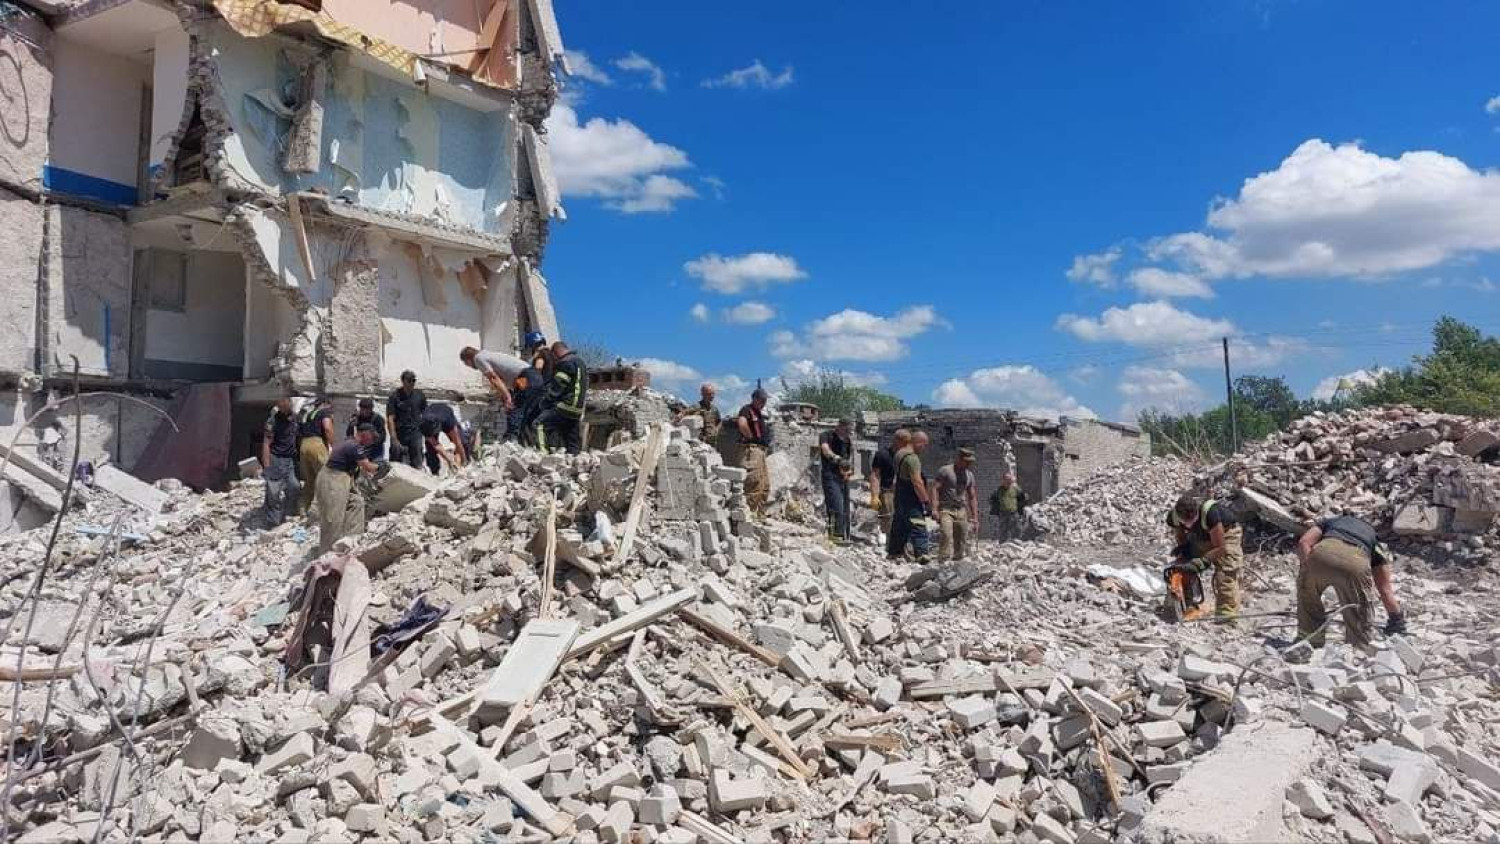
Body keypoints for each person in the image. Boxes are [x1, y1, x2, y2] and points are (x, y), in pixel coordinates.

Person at [1295, 515, 1407, 648]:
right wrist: (1397, 620)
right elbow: (1385, 590)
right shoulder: (1373, 539)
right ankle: (1358, 648)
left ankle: (1309, 642)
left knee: (1308, 597)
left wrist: (1307, 568)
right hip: (1355, 561)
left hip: (1322, 553)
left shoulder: (1332, 521)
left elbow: (1304, 542)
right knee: (1357, 609)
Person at [1167, 493, 1246, 619]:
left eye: (1192, 521)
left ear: (1197, 512)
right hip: (1201, 536)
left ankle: (1226, 615)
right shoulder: (1173, 517)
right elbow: (1180, 535)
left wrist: (1202, 562)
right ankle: (1188, 604)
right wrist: (1184, 550)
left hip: (1226, 534)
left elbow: (1220, 548)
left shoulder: (1210, 514)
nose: (1188, 525)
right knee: (1183, 566)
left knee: (1225, 571)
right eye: (1185, 522)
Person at [316, 424, 379, 553]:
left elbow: (361, 467)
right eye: (372, 437)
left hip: (342, 479)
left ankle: (350, 541)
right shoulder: (354, 446)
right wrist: (381, 467)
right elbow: (367, 467)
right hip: (333, 480)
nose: (372, 441)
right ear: (365, 434)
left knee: (357, 503)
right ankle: (327, 553)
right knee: (333, 518)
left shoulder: (349, 443)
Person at [887, 430, 934, 563]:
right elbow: (917, 482)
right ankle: (922, 554)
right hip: (911, 499)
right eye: (924, 445)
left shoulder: (899, 454)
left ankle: (894, 552)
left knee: (900, 524)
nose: (924, 449)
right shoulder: (912, 458)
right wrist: (926, 501)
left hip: (900, 497)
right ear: (918, 442)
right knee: (918, 524)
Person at [534, 341, 588, 454]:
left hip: (565, 405)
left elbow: (558, 386)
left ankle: (543, 456)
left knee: (539, 424)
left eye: (553, 357)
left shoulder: (565, 363)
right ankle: (575, 459)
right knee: (571, 437)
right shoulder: (580, 362)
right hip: (577, 409)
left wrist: (544, 402)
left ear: (555, 353)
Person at [932, 448, 979, 560]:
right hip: (946, 508)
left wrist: (975, 517)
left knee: (962, 537)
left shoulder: (969, 475)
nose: (968, 464)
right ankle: (943, 560)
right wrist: (934, 508)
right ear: (959, 459)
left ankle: (958, 560)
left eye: (970, 462)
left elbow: (972, 496)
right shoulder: (945, 471)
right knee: (946, 534)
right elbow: (935, 489)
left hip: (961, 509)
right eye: (966, 461)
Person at [260, 397, 300, 526]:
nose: (282, 405)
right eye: (280, 404)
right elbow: (266, 443)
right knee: (273, 491)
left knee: (294, 486)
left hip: (290, 460)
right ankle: (273, 521)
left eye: (285, 403)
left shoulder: (295, 418)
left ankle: (288, 514)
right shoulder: (272, 421)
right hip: (275, 458)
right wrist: (266, 465)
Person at [736, 388, 773, 516]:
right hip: (752, 450)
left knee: (765, 485)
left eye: (765, 400)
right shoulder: (747, 410)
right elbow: (742, 424)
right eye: (761, 400)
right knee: (754, 483)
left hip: (761, 451)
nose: (764, 403)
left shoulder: (759, 413)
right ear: (754, 399)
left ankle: (760, 515)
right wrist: (750, 437)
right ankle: (748, 514)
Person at [296, 396, 334, 512]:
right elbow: (327, 428)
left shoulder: (307, 414)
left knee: (310, 480)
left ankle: (303, 508)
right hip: (316, 444)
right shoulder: (324, 412)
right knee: (325, 477)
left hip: (304, 445)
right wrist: (333, 445)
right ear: (325, 403)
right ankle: (321, 509)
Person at [461, 346, 530, 410]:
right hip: (528, 374)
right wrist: (503, 394)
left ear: (468, 359)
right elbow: (499, 380)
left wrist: (507, 397)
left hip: (524, 377)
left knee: (518, 412)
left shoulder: (477, 358)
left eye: (465, 363)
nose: (467, 366)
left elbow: (493, 378)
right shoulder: (485, 354)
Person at [869, 429, 910, 538]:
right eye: (904, 442)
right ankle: (890, 543)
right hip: (888, 492)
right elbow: (875, 475)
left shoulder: (907, 456)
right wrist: (874, 496)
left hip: (903, 492)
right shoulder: (882, 455)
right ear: (896, 441)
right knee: (889, 521)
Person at [819, 418, 854, 542]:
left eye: (849, 431)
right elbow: (825, 450)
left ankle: (844, 535)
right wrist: (837, 459)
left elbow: (849, 458)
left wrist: (848, 471)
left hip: (843, 477)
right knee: (836, 505)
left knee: (845, 508)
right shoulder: (826, 435)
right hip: (830, 475)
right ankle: (835, 535)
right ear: (840, 426)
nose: (847, 433)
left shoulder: (847, 441)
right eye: (846, 430)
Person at [387, 370, 428, 469]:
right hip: (400, 433)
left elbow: (426, 414)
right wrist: (393, 437)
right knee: (395, 460)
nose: (412, 383)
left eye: (413, 380)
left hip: (415, 432)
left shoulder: (420, 395)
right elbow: (390, 418)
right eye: (409, 380)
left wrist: (427, 432)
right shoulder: (395, 396)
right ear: (403, 381)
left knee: (417, 458)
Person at [420, 402, 469, 474]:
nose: (435, 433)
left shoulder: (447, 420)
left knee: (462, 441)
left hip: (446, 414)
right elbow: (436, 445)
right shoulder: (423, 426)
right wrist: (450, 460)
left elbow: (457, 441)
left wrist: (463, 459)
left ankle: (465, 464)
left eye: (436, 431)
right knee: (430, 448)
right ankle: (435, 471)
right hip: (431, 418)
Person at [989, 471, 1030, 541]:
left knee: (1017, 530)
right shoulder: (999, 490)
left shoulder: (1015, 489)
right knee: (1003, 532)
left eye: (1009, 480)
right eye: (1006, 480)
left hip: (1013, 513)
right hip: (1003, 514)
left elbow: (1023, 498)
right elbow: (992, 500)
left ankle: (1017, 542)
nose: (1008, 482)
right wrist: (996, 509)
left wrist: (1021, 509)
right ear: (1003, 480)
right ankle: (1003, 544)